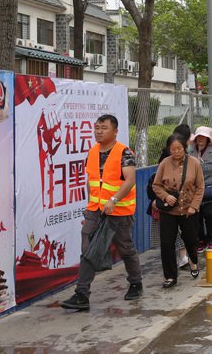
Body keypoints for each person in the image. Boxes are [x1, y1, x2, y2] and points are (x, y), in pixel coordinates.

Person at [61, 114, 142, 311]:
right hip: (95, 210)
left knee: (125, 247)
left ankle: (135, 282)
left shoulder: (125, 153)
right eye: (96, 127)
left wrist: (113, 200)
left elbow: (129, 180)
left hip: (119, 210)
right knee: (88, 248)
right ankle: (82, 294)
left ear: (115, 131)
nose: (98, 131)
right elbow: (92, 182)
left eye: (103, 128)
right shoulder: (92, 152)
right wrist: (91, 207)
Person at [152, 134, 204, 288]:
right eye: (173, 149)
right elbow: (156, 185)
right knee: (167, 243)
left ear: (184, 147)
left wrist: (194, 206)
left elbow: (200, 187)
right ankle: (170, 276)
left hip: (189, 210)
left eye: (179, 148)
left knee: (190, 240)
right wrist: (166, 196)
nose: (176, 152)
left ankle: (193, 261)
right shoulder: (164, 164)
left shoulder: (194, 163)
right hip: (169, 211)